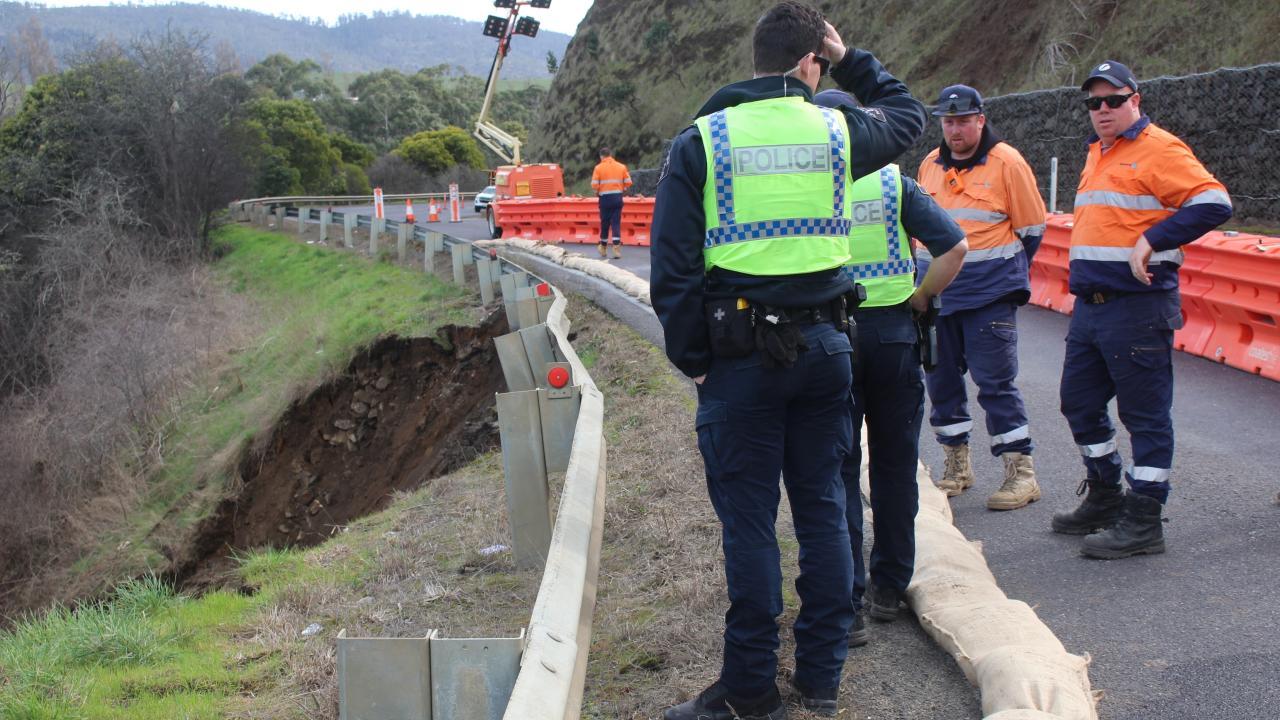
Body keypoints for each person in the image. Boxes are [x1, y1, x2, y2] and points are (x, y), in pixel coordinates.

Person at [650, 3, 926, 718]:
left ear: (757, 58)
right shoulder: (839, 129)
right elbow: (906, 115)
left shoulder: (702, 141)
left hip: (740, 357)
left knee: (749, 524)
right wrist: (853, 58)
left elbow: (673, 271)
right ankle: (821, 681)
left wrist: (695, 360)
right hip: (830, 348)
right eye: (823, 62)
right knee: (824, 512)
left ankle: (749, 693)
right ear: (812, 63)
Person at [1053, 60, 1231, 558]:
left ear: (1136, 99)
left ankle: (1145, 516)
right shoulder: (1098, 154)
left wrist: (1155, 238)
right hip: (1091, 307)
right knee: (1079, 403)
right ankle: (1106, 492)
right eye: (1094, 102)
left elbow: (1215, 202)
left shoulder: (1159, 148)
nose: (1103, 109)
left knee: (1144, 416)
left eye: (1114, 99)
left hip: (1137, 307)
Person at [812, 90, 966, 637]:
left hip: (833, 337)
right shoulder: (894, 184)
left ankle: (846, 598)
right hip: (896, 336)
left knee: (838, 469)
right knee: (897, 467)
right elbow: (955, 248)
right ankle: (888, 588)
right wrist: (920, 298)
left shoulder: (812, 185)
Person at [915, 84, 1048, 510]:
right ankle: (957, 466)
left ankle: (1020, 472)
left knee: (995, 384)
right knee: (943, 383)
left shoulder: (1007, 162)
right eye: (948, 121)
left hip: (989, 295)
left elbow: (1031, 229)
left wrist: (998, 274)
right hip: (939, 296)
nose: (954, 129)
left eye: (962, 121)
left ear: (980, 120)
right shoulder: (930, 165)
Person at [591, 146, 632, 259]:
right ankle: (616, 249)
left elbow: (594, 185)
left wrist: (597, 192)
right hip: (617, 199)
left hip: (604, 200)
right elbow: (628, 182)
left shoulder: (598, 168)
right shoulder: (621, 167)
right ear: (610, 155)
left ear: (601, 156)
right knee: (616, 223)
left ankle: (603, 248)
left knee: (605, 223)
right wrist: (621, 190)